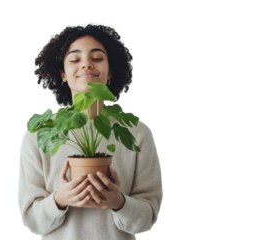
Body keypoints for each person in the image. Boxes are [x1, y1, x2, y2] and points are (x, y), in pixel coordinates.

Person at [18, 21, 163, 239]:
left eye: (97, 58)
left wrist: (119, 202)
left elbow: (148, 218)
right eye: (75, 59)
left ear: (110, 71)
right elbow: (31, 221)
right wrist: (60, 200)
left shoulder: (137, 132)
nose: (86, 64)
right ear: (63, 73)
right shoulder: (39, 133)